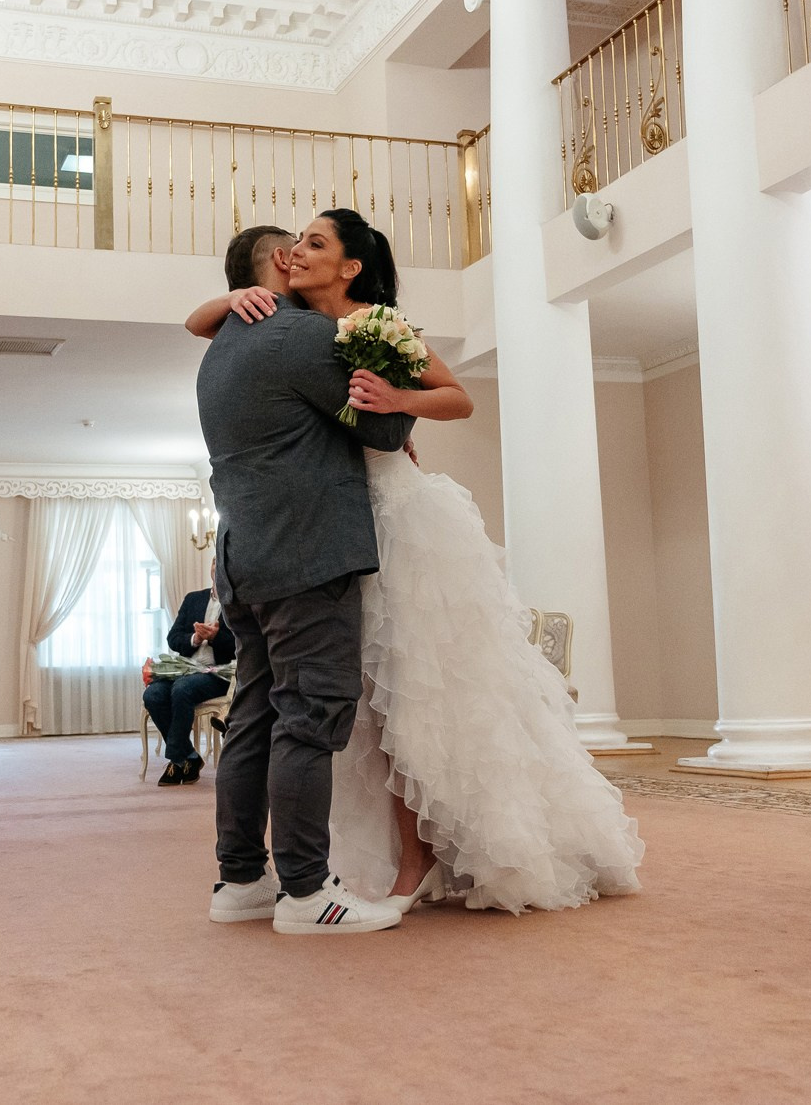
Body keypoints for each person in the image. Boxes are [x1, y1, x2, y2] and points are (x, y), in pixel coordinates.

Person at [187, 210, 644, 914]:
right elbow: (204, 323)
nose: (293, 258)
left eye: (313, 245)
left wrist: (400, 400)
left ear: (350, 267)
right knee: (366, 711)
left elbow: (452, 397)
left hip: (394, 525)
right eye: (291, 248)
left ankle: (415, 860)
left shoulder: (373, 324)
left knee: (413, 693)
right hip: (333, 530)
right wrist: (226, 300)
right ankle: (388, 861)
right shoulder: (284, 327)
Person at [195, 225, 418, 937]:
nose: (300, 255)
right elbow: (383, 432)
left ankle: (240, 882)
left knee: (254, 717)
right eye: (291, 248)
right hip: (304, 553)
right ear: (270, 269)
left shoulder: (221, 348)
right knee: (309, 716)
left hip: (242, 556)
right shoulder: (297, 336)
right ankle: (304, 893)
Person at [144, 581, 236, 786]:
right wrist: (195, 638)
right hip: (185, 669)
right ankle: (190, 757)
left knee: (182, 689)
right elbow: (173, 638)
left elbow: (240, 645)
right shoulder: (193, 598)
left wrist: (215, 637)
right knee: (153, 694)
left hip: (218, 675)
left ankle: (176, 761)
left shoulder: (236, 601)